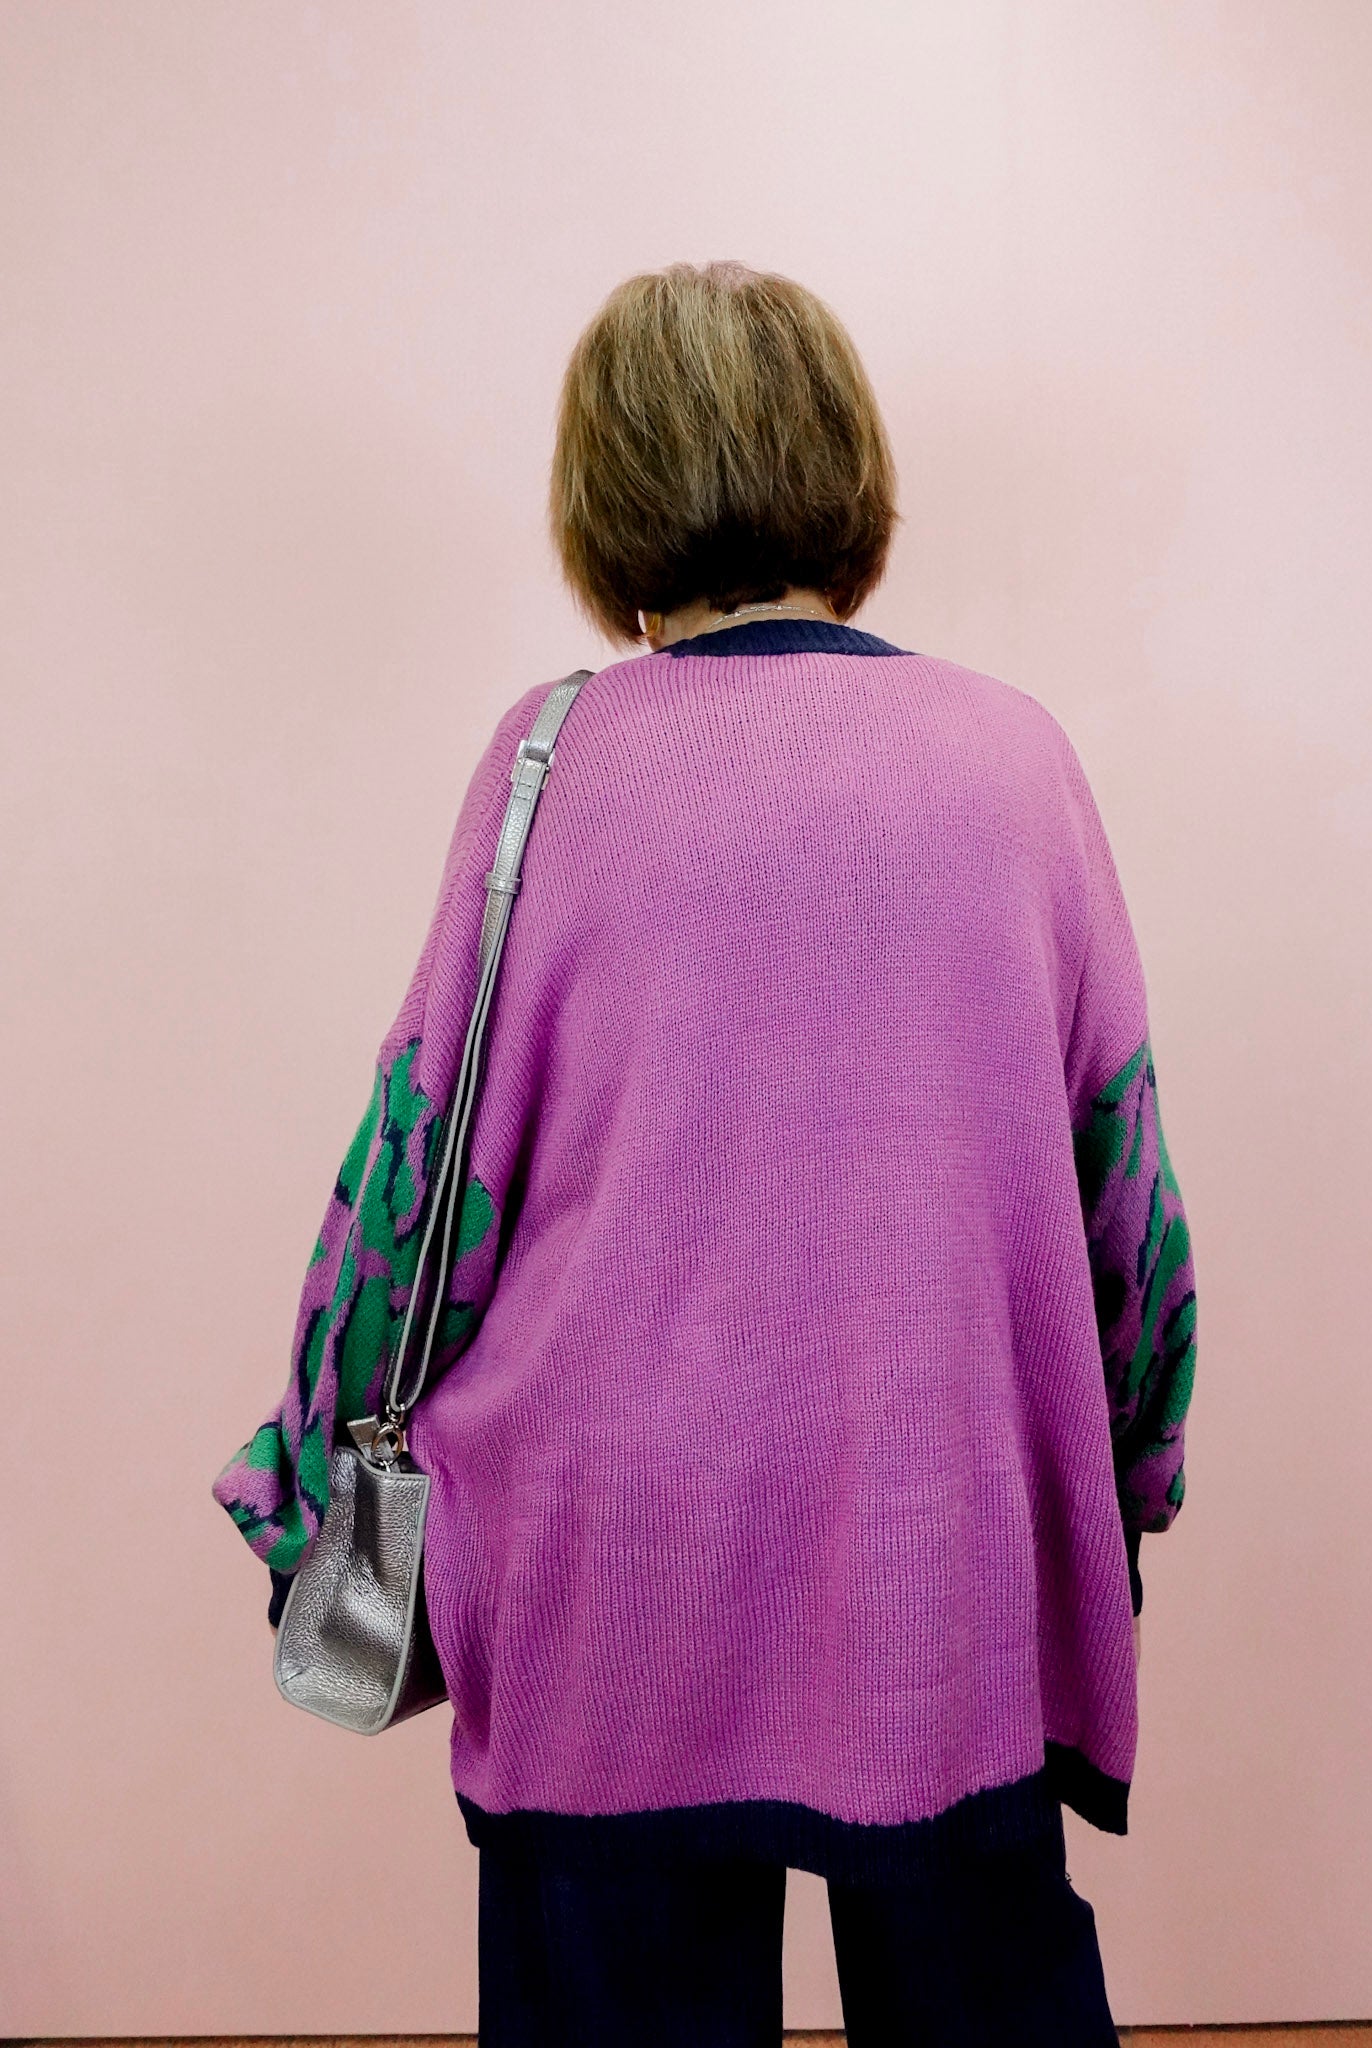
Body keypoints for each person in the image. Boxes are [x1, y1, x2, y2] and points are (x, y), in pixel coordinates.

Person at [213, 259, 1196, 2047]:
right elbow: (1120, 1170)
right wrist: (1131, 1459)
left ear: (605, 495)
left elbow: (421, 1165)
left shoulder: (552, 761)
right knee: (989, 1999)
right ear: (849, 467)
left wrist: (305, 1453)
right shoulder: (1014, 757)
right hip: (941, 1537)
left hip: (615, 1567)